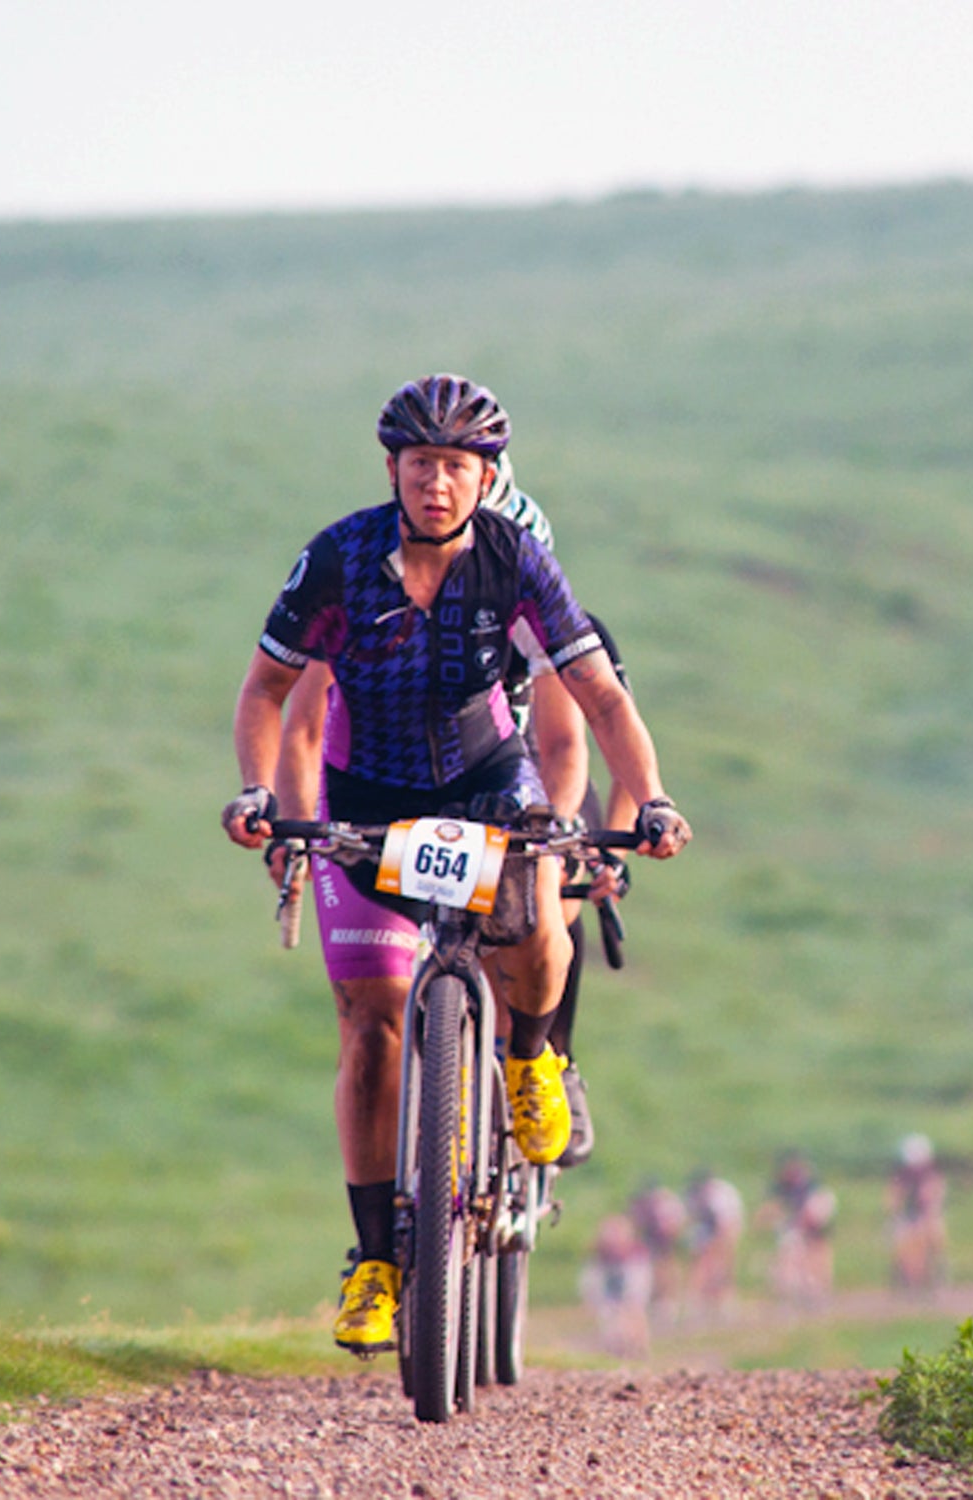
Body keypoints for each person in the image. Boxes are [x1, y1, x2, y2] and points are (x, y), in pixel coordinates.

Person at [221, 373, 691, 1356]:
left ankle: (529, 1057)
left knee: (531, 917)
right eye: (421, 464)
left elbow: (594, 710)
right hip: (367, 802)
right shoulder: (339, 560)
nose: (437, 484)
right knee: (368, 1030)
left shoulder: (520, 563)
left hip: (485, 783)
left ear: (487, 478)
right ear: (392, 468)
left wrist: (641, 803)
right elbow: (272, 696)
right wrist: (267, 799)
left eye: (458, 467)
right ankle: (379, 1264)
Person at [269, 457, 631, 1169]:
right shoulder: (385, 615)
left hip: (519, 765)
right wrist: (290, 825)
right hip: (421, 772)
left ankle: (553, 1055)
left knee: (552, 903)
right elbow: (303, 725)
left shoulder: (562, 626)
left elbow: (573, 746)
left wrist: (581, 848)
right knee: (377, 1002)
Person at [758, 1150, 837, 1308]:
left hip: (813, 1215)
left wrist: (801, 1226)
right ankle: (796, 1291)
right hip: (796, 1220)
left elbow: (812, 1213)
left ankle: (817, 1290)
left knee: (815, 1252)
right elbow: (771, 1208)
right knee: (791, 1253)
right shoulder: (781, 1184)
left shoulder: (811, 1186)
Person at [578, 1214, 653, 1359]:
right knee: (610, 1313)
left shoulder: (635, 1253)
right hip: (611, 1279)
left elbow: (637, 1283)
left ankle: (638, 1344)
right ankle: (616, 1344)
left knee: (633, 1309)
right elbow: (592, 1276)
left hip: (630, 1275)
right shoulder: (600, 1253)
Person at [886, 1133, 947, 1293]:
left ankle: (934, 1276)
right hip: (909, 1214)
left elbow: (933, 1198)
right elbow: (893, 1196)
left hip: (927, 1213)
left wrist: (929, 1216)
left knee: (933, 1240)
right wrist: (895, 1213)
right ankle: (910, 1281)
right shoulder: (902, 1174)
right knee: (905, 1247)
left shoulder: (932, 1174)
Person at [683, 1169, 744, 1322]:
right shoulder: (693, 1195)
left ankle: (725, 1301)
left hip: (728, 1224)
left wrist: (719, 1248)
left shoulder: (721, 1196)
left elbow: (727, 1226)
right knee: (701, 1264)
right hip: (707, 1226)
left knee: (723, 1265)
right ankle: (699, 1302)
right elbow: (692, 1220)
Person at [628, 1176, 689, 1323]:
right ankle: (657, 1302)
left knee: (666, 1270)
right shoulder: (642, 1203)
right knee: (652, 1271)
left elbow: (677, 1222)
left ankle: (669, 1303)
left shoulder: (666, 1202)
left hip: (666, 1240)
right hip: (650, 1239)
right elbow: (635, 1222)